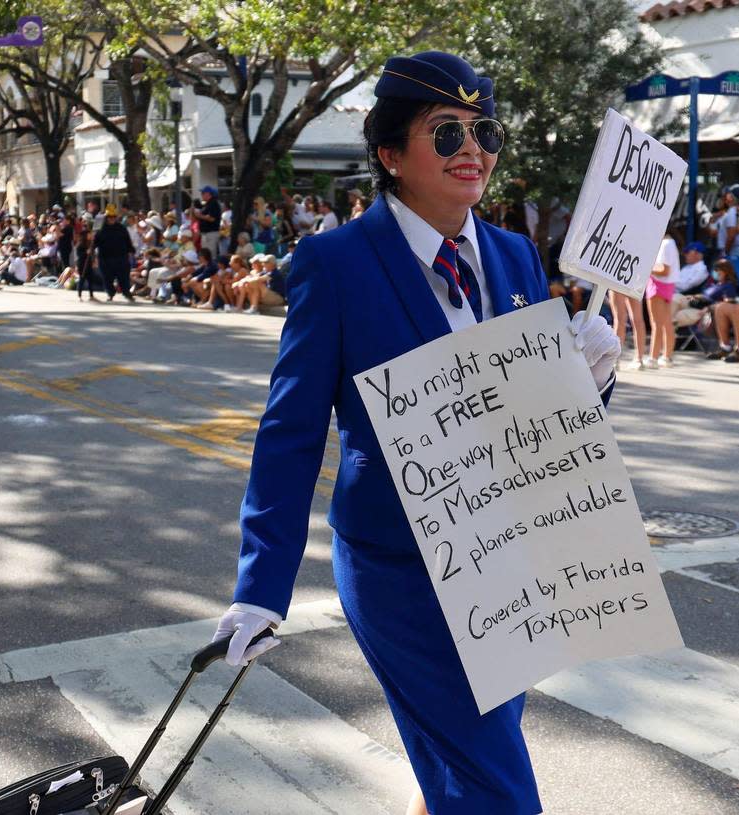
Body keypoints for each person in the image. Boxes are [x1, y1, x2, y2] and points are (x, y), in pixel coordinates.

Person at [211, 51, 620, 815]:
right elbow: (290, 432)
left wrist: (591, 385)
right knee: (496, 792)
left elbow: (539, 424)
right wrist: (261, 586)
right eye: (446, 133)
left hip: (509, 562)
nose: (473, 150)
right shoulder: (333, 263)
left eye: (485, 131)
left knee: (459, 768)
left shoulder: (515, 254)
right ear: (390, 152)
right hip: (402, 572)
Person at [645, 232, 679, 367]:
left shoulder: (665, 244)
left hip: (657, 285)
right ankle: (666, 357)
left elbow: (665, 271)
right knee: (665, 323)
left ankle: (653, 358)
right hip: (667, 286)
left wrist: (647, 269)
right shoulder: (670, 243)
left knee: (656, 323)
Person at [93, 203, 136, 303]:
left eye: (113, 217)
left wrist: (131, 250)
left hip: (121, 257)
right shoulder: (100, 230)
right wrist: (91, 248)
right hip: (105, 258)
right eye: (110, 217)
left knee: (124, 277)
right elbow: (95, 243)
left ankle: (126, 293)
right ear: (106, 218)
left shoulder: (122, 228)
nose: (112, 219)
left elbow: (127, 240)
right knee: (107, 278)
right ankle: (110, 293)